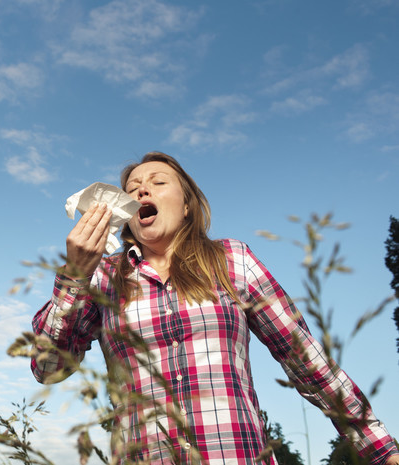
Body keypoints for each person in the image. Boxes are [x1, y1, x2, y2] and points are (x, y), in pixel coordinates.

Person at [31, 152, 398, 464]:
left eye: (158, 182)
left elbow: (306, 361)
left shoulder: (231, 260)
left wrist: (380, 448)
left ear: (187, 204)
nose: (142, 189)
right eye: (131, 189)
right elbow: (48, 368)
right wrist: (75, 274)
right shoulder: (104, 277)